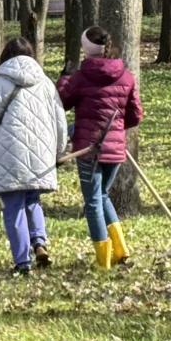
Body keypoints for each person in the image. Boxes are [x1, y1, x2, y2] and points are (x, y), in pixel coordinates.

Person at [56, 27, 142, 268]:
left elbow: (62, 102)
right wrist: (115, 130)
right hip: (114, 150)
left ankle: (103, 260)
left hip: (88, 150)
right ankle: (121, 250)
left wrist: (63, 78)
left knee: (93, 201)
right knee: (102, 195)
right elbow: (135, 116)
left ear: (86, 49)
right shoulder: (126, 77)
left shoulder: (81, 77)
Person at [0, 37, 67, 275]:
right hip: (41, 152)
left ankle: (22, 261)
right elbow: (59, 120)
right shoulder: (46, 84)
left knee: (13, 206)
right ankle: (39, 242)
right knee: (32, 199)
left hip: (7, 153)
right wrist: (59, 151)